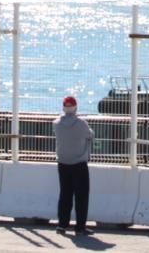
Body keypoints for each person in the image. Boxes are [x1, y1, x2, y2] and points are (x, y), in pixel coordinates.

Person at [53, 95, 94, 236]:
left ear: (63, 108)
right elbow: (90, 135)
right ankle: (80, 226)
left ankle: (62, 225)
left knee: (65, 194)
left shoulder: (56, 123)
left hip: (63, 164)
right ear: (75, 107)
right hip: (79, 164)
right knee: (81, 196)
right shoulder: (81, 123)